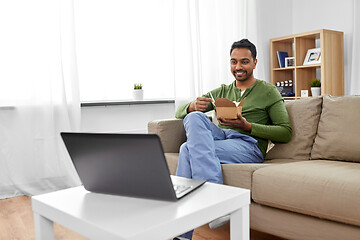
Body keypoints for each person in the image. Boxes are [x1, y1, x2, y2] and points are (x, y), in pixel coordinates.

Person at [173, 39, 292, 240]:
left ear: (255, 62)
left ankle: (182, 233)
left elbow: (285, 132)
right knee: (194, 117)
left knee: (186, 149)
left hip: (248, 145)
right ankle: (215, 201)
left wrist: (248, 126)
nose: (238, 67)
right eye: (233, 62)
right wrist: (192, 106)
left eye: (244, 61)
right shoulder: (222, 91)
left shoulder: (268, 91)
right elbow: (179, 112)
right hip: (223, 138)